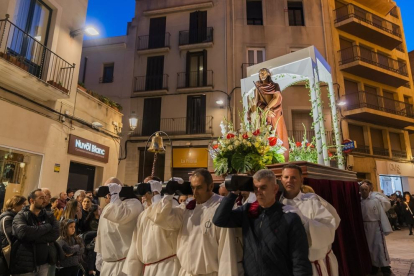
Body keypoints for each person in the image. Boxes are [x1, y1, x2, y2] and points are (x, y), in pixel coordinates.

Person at [213, 169, 312, 275]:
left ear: (275, 189)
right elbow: (219, 220)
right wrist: (233, 193)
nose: (258, 192)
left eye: (263, 187)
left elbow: (300, 261)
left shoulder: (289, 217)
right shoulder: (247, 212)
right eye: (255, 188)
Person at [146, 169, 239, 276]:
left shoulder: (221, 207)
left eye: (199, 188)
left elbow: (227, 252)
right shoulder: (188, 207)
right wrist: (168, 194)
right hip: (186, 272)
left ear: (211, 187)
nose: (194, 193)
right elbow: (161, 219)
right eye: (192, 188)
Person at [279, 164, 340, 276]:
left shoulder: (312, 201)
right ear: (281, 179)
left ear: (301, 179)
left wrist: (304, 220)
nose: (289, 181)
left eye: (294, 177)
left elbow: (330, 226)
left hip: (312, 266)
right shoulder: (277, 203)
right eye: (286, 177)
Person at [124, 180, 181, 276]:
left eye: (149, 192)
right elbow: (136, 244)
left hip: (168, 268)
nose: (145, 196)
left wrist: (157, 195)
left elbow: (162, 217)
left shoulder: (172, 207)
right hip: (148, 269)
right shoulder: (143, 215)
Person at [95, 177, 143, 276]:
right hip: (107, 264)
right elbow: (101, 233)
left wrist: (115, 196)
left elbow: (120, 216)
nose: (107, 195)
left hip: (124, 264)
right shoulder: (108, 208)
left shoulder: (134, 203)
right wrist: (99, 255)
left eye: (110, 190)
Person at [11, 189, 60, 276]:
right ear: (32, 201)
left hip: (43, 263)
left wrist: (32, 237)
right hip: (25, 264)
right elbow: (23, 233)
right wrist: (47, 227)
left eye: (45, 197)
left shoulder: (49, 215)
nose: (45, 200)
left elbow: (55, 233)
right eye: (41, 198)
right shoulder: (21, 216)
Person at [247, 68, 289, 160]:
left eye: (263, 72)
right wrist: (264, 110)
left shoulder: (275, 85)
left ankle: (278, 156)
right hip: (264, 114)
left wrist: (268, 108)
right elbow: (257, 101)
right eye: (260, 73)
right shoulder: (258, 86)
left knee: (276, 132)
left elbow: (276, 97)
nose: (261, 74)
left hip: (275, 112)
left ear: (269, 74)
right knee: (264, 133)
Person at [360, 184, 393, 276]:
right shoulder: (359, 202)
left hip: (376, 226)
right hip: (365, 226)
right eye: (362, 190)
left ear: (369, 189)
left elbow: (382, 214)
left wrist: (385, 228)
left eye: (366, 189)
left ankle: (385, 266)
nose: (364, 191)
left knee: (379, 246)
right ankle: (374, 265)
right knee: (370, 247)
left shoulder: (375, 200)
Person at [0, 195, 27, 274]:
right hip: (5, 253)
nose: (25, 207)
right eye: (23, 204)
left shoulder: (16, 217)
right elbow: (10, 235)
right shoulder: (7, 218)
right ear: (15, 205)